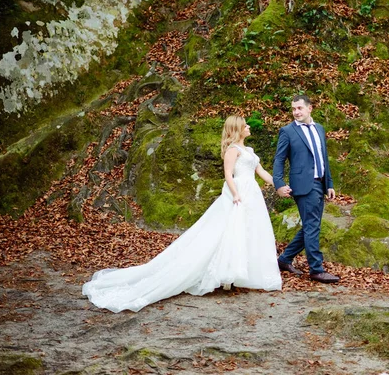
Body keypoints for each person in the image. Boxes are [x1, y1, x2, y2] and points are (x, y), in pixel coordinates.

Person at [82, 116, 282, 313]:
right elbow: (228, 173)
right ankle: (224, 275)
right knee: (228, 231)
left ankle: (240, 275)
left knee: (248, 231)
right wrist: (236, 194)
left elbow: (262, 172)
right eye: (245, 125)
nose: (248, 126)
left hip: (252, 193)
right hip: (239, 192)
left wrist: (279, 186)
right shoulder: (233, 150)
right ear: (237, 129)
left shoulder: (249, 151)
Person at [273, 95, 340, 283]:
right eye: (293, 109)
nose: (296, 112)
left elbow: (323, 158)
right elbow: (279, 159)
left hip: (320, 183)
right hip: (302, 185)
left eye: (300, 108)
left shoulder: (319, 128)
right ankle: (316, 269)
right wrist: (279, 184)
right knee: (312, 226)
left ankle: (284, 259)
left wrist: (329, 184)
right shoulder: (287, 131)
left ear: (310, 108)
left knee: (311, 226)